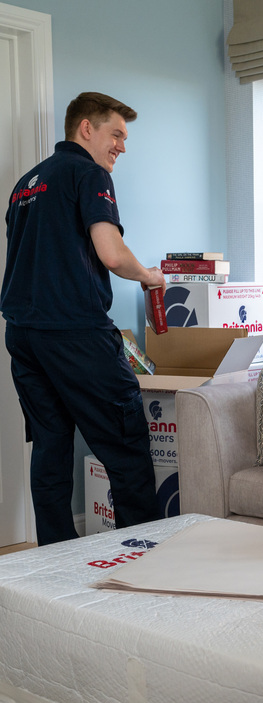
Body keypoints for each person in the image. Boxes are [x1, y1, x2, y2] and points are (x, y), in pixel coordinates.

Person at [2, 92, 166, 546]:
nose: (122, 147)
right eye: (116, 134)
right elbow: (111, 254)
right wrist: (148, 276)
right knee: (126, 442)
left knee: (52, 446)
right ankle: (145, 557)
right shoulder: (88, 173)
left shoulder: (25, 184)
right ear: (86, 129)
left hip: (23, 335)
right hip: (74, 332)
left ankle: (53, 565)